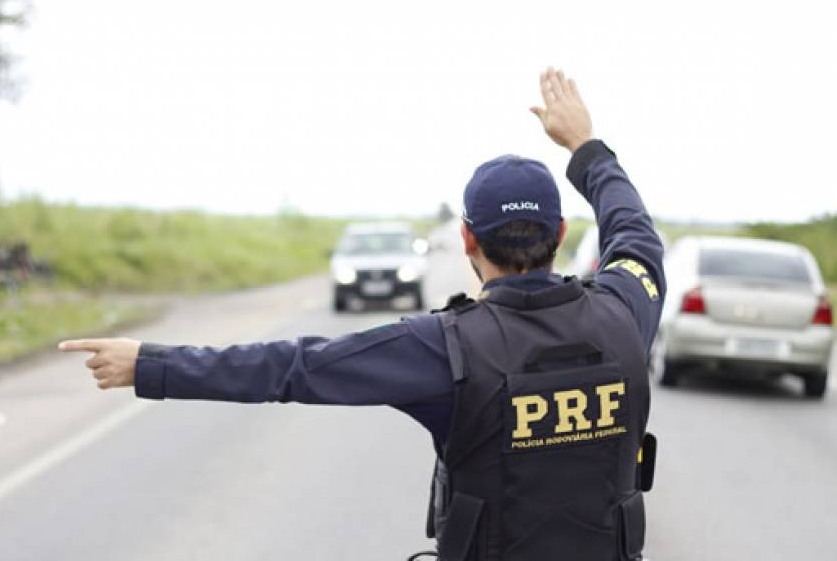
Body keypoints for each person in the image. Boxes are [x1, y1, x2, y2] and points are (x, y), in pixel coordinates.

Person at [60, 68, 665, 560]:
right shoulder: (623, 312)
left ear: (467, 241)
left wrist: (151, 365)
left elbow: (294, 368)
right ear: (559, 232)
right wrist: (586, 148)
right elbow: (635, 236)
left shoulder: (449, 348)